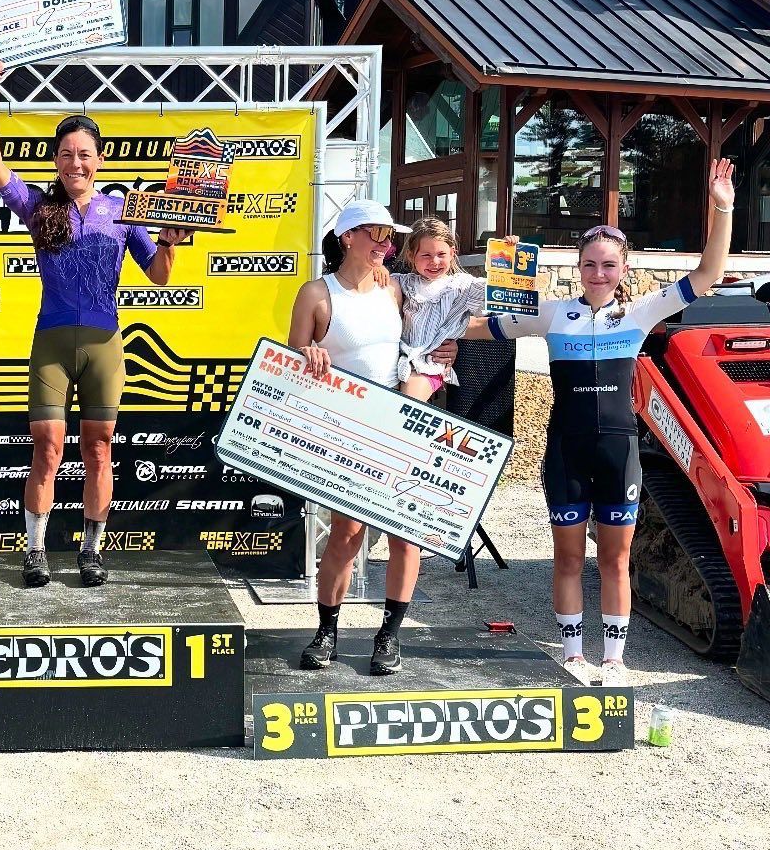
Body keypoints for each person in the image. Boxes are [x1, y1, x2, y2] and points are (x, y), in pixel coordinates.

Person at [463, 160, 736, 684]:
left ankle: (613, 659)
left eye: (608, 266)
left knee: (616, 559)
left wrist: (721, 206)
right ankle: (573, 654)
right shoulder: (551, 313)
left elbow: (708, 275)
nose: (597, 274)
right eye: (590, 264)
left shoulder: (639, 313)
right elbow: (481, 329)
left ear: (623, 271)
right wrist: (418, 327)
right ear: (579, 267)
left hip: (619, 450)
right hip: (566, 448)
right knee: (567, 558)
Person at [0, 57, 188, 588]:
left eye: (85, 154)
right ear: (55, 160)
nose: (76, 163)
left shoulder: (125, 209)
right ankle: (36, 550)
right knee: (45, 448)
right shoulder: (38, 206)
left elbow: (160, 277)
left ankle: (91, 551)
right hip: (50, 341)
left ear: (99, 158)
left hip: (104, 343)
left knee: (99, 448)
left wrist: (168, 240)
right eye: (66, 154)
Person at [288, 200, 456, 676]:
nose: (387, 246)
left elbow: (436, 331)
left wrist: (452, 345)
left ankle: (389, 636)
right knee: (346, 532)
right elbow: (289, 359)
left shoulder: (397, 288)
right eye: (378, 236)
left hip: (403, 426)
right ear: (347, 237)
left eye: (390, 238)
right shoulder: (316, 294)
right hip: (349, 430)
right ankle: (326, 632)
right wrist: (307, 354)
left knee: (407, 538)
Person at [391, 217, 485, 401]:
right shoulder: (402, 282)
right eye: (426, 255)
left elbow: (495, 291)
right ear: (411, 255)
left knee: (407, 406)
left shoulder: (461, 286)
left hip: (428, 364)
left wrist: (506, 254)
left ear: (452, 253)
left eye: (441, 254)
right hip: (397, 359)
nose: (434, 261)